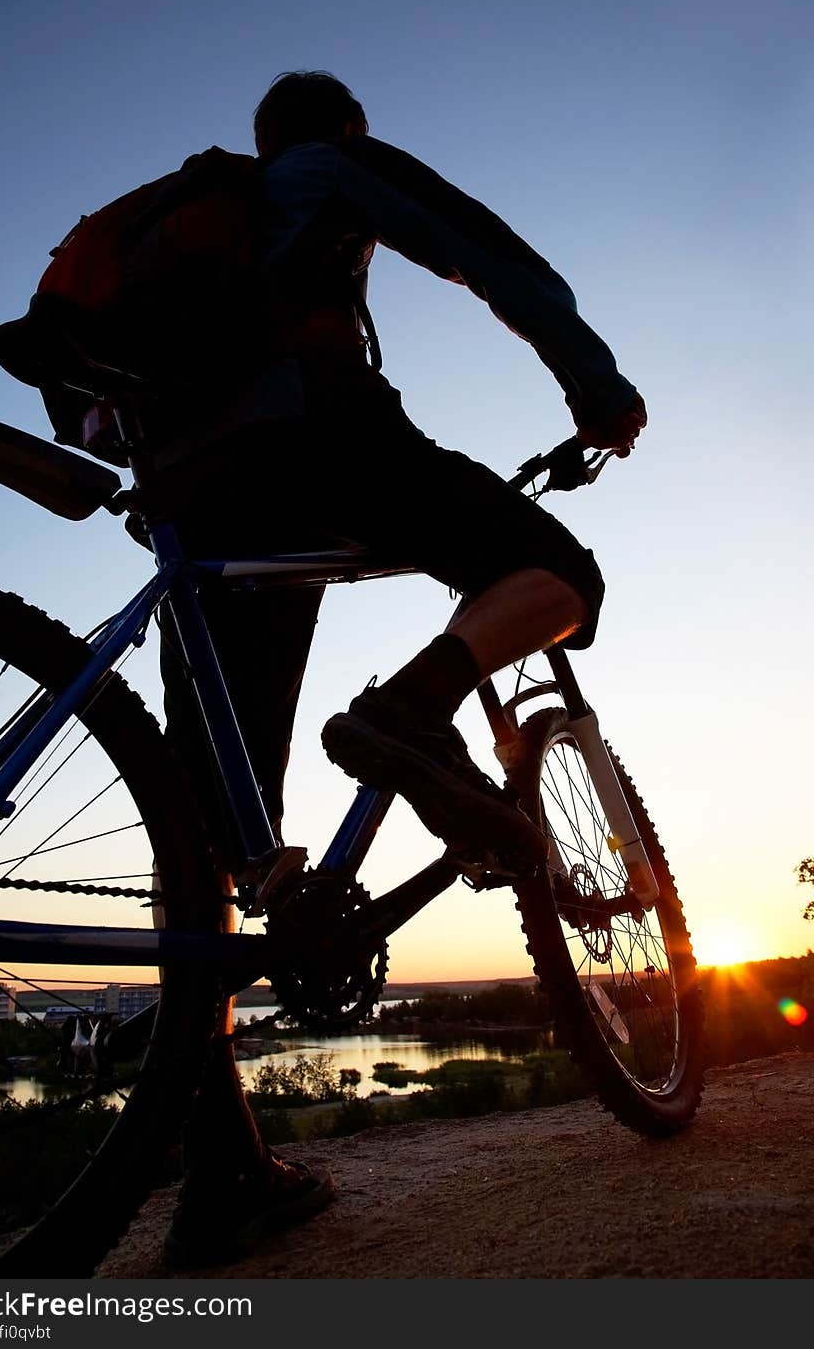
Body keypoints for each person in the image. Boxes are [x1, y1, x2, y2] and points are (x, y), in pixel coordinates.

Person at [158, 70, 645, 1266]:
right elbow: (480, 247)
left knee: (209, 835)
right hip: (320, 441)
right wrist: (591, 376)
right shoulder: (322, 170)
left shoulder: (187, 232)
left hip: (194, 500)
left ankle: (220, 1172)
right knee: (556, 573)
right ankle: (413, 708)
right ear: (337, 133)